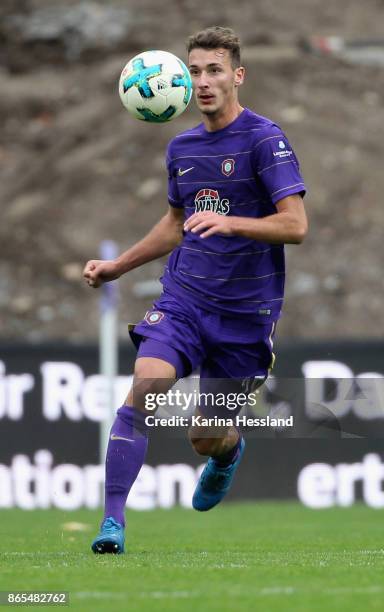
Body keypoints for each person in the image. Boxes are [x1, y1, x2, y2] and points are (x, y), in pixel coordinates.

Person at [83, 26, 308, 554]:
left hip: (246, 315)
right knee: (146, 384)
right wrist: (118, 265)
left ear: (237, 75)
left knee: (205, 436)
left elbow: (295, 225)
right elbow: (175, 223)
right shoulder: (181, 147)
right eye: (193, 72)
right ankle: (112, 523)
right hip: (185, 299)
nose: (203, 82)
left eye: (213, 70)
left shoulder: (264, 140)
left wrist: (233, 224)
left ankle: (227, 454)